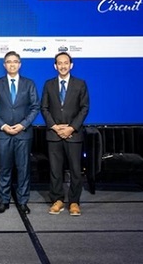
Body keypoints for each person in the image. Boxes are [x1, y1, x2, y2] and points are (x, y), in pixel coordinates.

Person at [0, 51, 40, 214]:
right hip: (3, 133)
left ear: (20, 64)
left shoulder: (29, 83)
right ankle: (4, 200)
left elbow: (35, 107)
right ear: (4, 65)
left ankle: (23, 201)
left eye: (15, 61)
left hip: (23, 133)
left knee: (23, 168)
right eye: (9, 61)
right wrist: (3, 126)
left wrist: (22, 125)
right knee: (4, 168)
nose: (12, 64)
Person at [41, 52, 89, 216]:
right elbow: (44, 108)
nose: (63, 66)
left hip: (73, 135)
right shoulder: (49, 84)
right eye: (59, 63)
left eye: (66, 63)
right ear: (55, 66)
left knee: (75, 170)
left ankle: (74, 202)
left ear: (71, 65)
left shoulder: (80, 84)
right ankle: (57, 200)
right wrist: (55, 127)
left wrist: (71, 128)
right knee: (55, 170)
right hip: (54, 134)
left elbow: (84, 108)